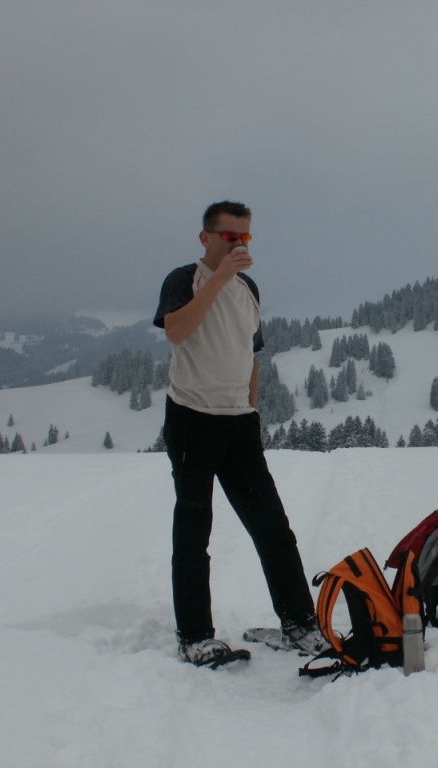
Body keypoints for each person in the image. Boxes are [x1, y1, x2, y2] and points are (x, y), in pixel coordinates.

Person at [153, 200, 324, 667]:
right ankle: (195, 636)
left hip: (238, 423)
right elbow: (176, 332)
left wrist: (251, 409)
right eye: (230, 236)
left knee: (273, 528)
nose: (239, 245)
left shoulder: (249, 288)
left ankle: (300, 625)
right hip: (192, 418)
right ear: (206, 238)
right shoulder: (183, 280)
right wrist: (220, 278)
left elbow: (250, 354)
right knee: (194, 532)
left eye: (245, 237)